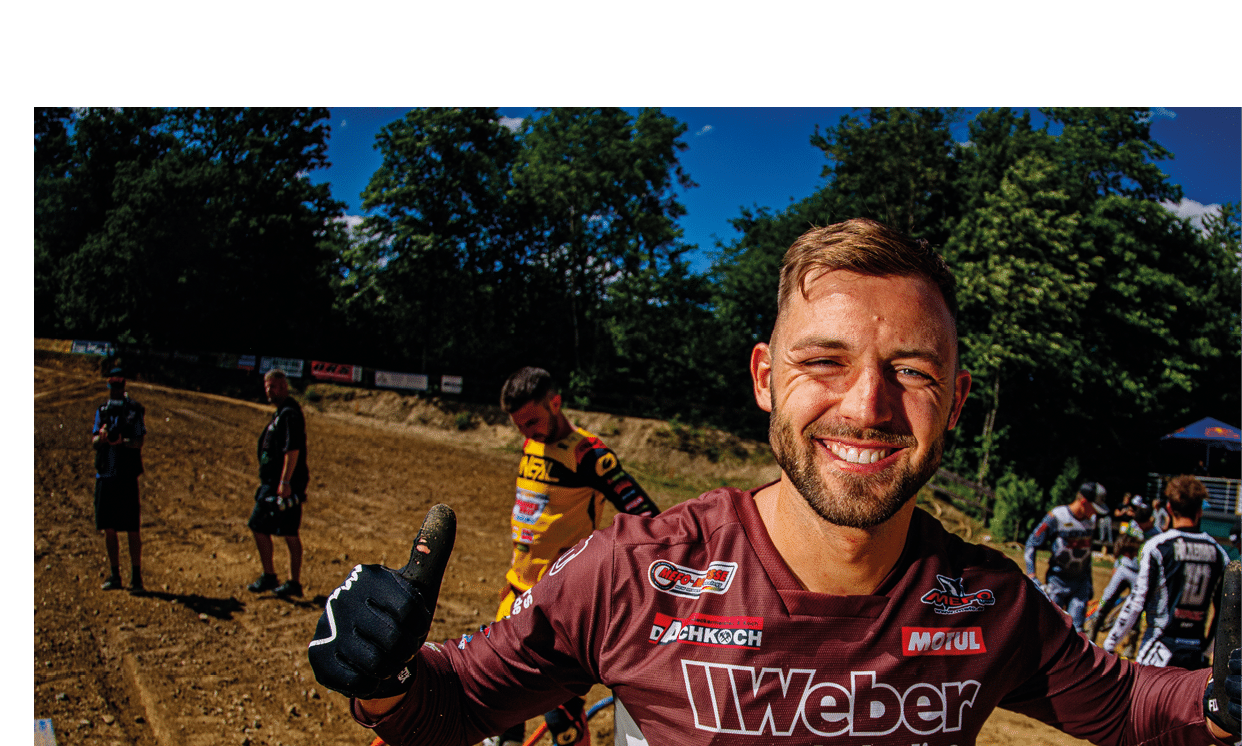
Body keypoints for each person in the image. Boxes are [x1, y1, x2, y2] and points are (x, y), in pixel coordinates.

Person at [308, 218, 1242, 745]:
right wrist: (380, 671)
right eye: (824, 361)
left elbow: (1129, 704)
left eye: (912, 370)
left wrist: (1220, 700)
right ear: (764, 378)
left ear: (956, 401)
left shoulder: (989, 602)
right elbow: (447, 703)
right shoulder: (635, 571)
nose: (868, 405)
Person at [487, 366, 662, 746]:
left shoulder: (590, 455)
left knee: (561, 717)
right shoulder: (531, 443)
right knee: (501, 707)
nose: (527, 433)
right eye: (519, 426)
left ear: (556, 403)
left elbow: (645, 514)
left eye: (532, 421)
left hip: (559, 604)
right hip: (515, 594)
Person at [1104, 475, 1231, 669]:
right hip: (1195, 656)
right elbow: (1225, 612)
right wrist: (1206, 652)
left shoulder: (1157, 546)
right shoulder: (1219, 553)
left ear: (1169, 508)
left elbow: (1137, 601)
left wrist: (1110, 644)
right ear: (1200, 511)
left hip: (1158, 651)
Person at [247, 369, 308, 598]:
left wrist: (285, 481)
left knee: (271, 528)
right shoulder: (282, 412)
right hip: (277, 483)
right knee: (276, 529)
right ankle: (278, 578)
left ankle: (285, 579)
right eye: (267, 387)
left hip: (281, 485)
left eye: (273, 387)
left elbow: (292, 450)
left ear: (283, 387)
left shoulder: (289, 414)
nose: (269, 391)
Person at [1023, 481, 1109, 632]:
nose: (1096, 513)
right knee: (1049, 627)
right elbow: (1032, 543)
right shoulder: (1057, 516)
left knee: (1077, 631)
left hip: (1080, 583)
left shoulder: (1091, 521)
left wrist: (1089, 582)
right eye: (1094, 508)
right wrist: (1032, 576)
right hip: (1057, 582)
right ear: (1084, 502)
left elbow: (1087, 554)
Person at [91, 366, 147, 593]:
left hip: (125, 475)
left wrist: (121, 441)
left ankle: (136, 577)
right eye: (112, 385)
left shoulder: (133, 410)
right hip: (105, 474)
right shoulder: (103, 410)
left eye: (118, 385)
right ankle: (115, 574)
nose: (115, 389)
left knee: (132, 528)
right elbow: (94, 442)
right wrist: (103, 438)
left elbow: (139, 441)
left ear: (123, 385)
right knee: (109, 528)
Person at [1088, 532, 1143, 657]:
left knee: (1136, 607)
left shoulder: (1144, 547)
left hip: (1137, 574)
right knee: (1107, 598)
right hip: (1123, 570)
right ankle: (1092, 633)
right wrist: (1117, 565)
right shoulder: (1126, 552)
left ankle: (1131, 643)